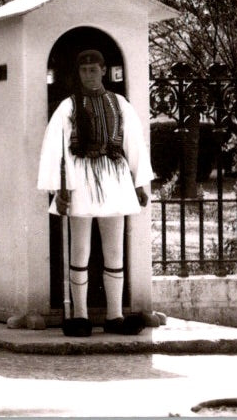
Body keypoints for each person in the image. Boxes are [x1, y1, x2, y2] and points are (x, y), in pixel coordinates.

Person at [37, 49, 151, 337]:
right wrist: (59, 189)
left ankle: (114, 315)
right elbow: (56, 147)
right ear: (78, 74)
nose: (88, 75)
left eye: (93, 69)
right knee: (81, 249)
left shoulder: (120, 104)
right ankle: (80, 316)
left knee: (114, 251)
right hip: (81, 178)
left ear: (103, 70)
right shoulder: (69, 106)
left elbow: (134, 142)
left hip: (114, 177)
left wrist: (139, 183)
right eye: (83, 70)